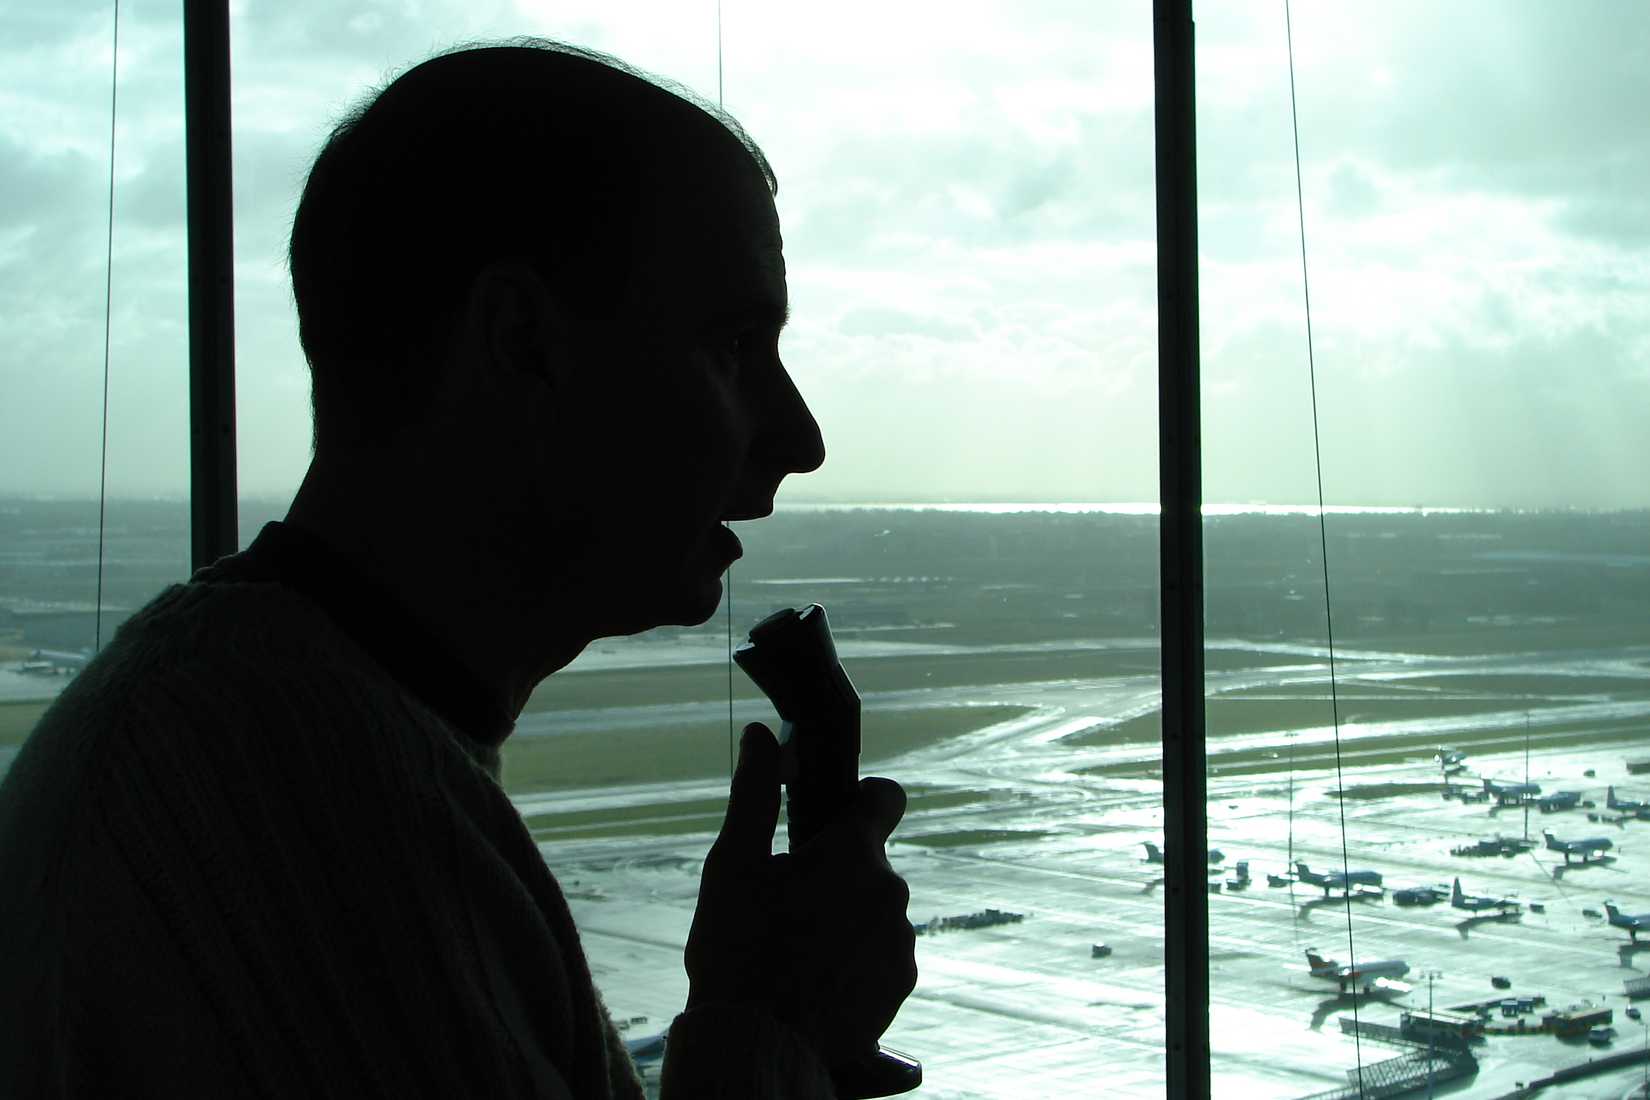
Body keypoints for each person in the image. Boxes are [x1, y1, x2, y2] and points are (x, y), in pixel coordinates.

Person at [0, 39, 917, 1098]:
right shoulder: (301, 817)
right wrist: (777, 1026)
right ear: (522, 341)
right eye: (732, 348)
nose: (799, 438)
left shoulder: (276, 732)